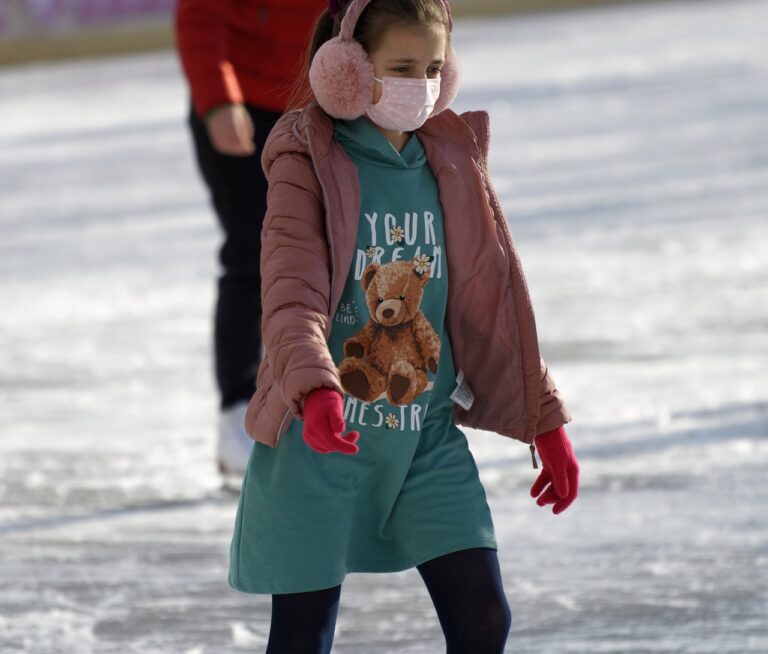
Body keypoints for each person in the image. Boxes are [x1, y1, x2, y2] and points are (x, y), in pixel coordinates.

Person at [229, 0, 581, 651]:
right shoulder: (307, 161)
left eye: (433, 66)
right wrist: (315, 388)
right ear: (347, 68)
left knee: (483, 620)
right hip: (319, 441)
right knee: (304, 634)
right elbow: (290, 295)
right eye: (400, 66)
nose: (419, 84)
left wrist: (545, 417)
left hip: (423, 436)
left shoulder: (450, 160)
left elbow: (491, 305)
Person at [174, 0, 327, 476]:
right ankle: (238, 414)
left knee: (337, 253)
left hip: (327, 101)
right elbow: (198, 16)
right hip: (244, 103)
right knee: (253, 255)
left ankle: (333, 397)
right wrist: (219, 99)